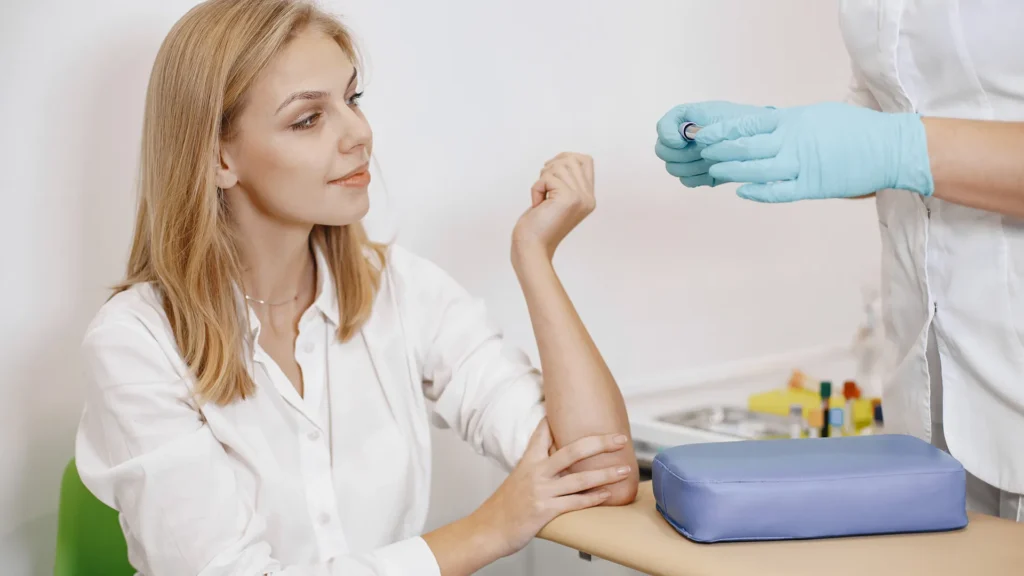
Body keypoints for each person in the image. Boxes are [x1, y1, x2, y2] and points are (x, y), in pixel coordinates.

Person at [75, 1, 639, 574]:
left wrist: (534, 257)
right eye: (307, 119)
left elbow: (600, 473)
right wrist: (489, 528)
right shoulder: (136, 342)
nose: (359, 134)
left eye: (353, 99)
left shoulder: (401, 291)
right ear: (220, 157)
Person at [655, 1, 1024, 521]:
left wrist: (898, 148)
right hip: (924, 411)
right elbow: (877, 134)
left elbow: (898, 147)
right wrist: (774, 138)